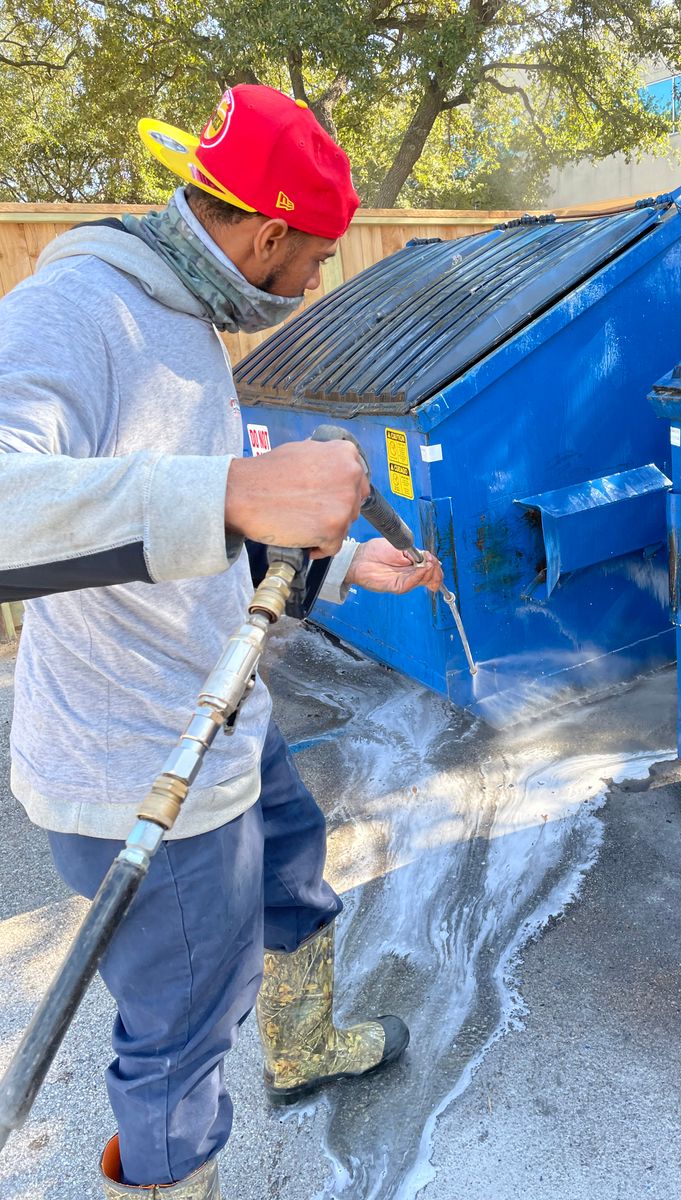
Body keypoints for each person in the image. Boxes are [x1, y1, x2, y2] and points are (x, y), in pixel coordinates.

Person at [0, 83, 442, 1199]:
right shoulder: (80, 311)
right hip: (137, 763)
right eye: (315, 260)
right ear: (266, 232)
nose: (315, 286)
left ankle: (300, 1048)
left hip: (220, 706)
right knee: (180, 1036)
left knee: (295, 881)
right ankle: (170, 1178)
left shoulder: (184, 314)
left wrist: (338, 566)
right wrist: (243, 485)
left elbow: (193, 526)